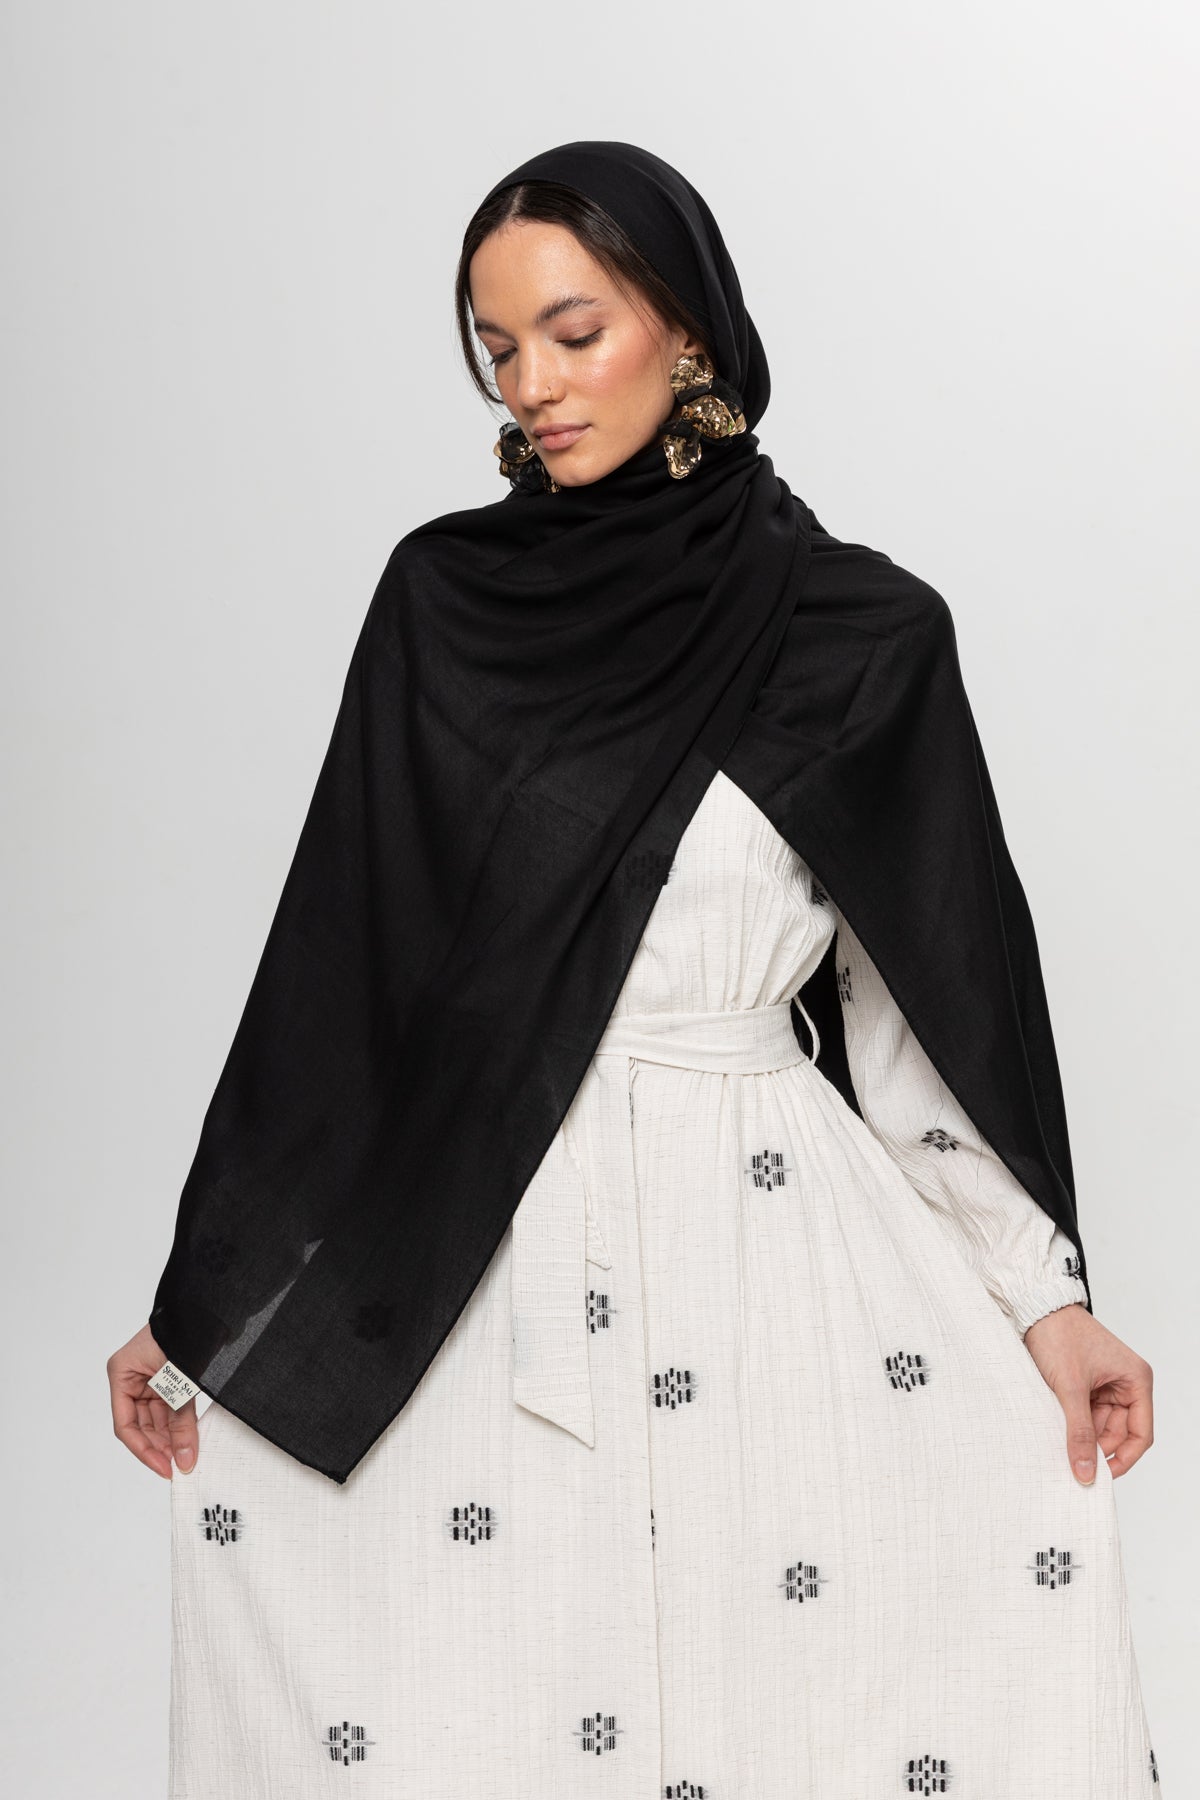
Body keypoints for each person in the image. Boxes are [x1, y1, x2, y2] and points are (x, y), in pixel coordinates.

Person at [108, 142, 1162, 1796]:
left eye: (573, 332)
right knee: (483, 1690)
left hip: (774, 1246)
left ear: (685, 327)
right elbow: (349, 990)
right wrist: (208, 1305)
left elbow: (916, 1012)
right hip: (484, 1232)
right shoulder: (444, 605)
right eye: (497, 347)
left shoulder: (861, 634)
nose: (531, 384)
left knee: (802, 1690)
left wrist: (1049, 1300)